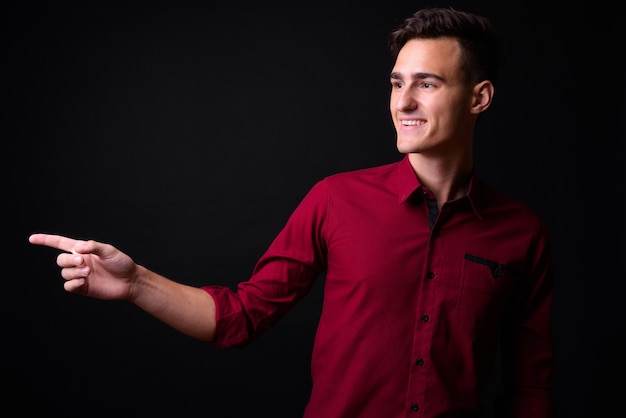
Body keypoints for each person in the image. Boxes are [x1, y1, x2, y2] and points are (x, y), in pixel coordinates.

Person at [29, 6, 555, 418]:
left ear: (479, 97)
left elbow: (530, 385)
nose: (403, 102)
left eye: (427, 83)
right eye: (397, 83)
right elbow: (243, 317)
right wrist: (135, 283)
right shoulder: (335, 200)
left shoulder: (521, 233)